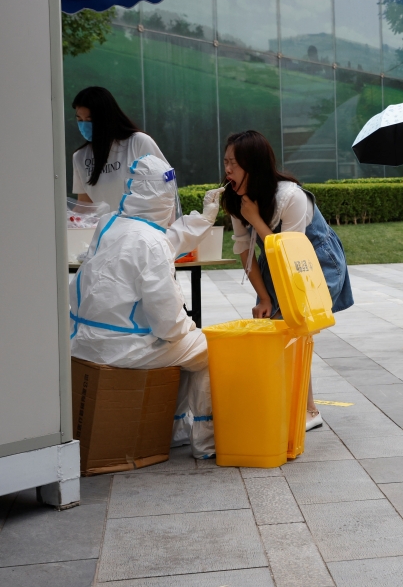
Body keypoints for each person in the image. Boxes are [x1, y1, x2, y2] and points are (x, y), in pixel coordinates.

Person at [70, 156, 222, 459]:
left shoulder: (110, 223)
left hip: (83, 340)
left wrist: (204, 218)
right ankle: (205, 442)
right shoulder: (152, 242)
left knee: (183, 346)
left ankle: (173, 430)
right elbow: (168, 323)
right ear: (165, 195)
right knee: (207, 350)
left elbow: (162, 241)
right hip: (124, 348)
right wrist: (189, 330)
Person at [225, 131, 353, 424]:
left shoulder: (290, 196)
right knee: (280, 329)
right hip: (275, 257)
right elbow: (245, 250)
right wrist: (265, 298)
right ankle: (301, 408)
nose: (228, 169)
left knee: (295, 329)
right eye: (225, 162)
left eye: (234, 163)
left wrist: (256, 218)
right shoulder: (237, 198)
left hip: (314, 261)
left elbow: (291, 256)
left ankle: (307, 411)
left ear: (253, 165)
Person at [71, 87, 167, 210]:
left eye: (90, 119)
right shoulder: (80, 156)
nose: (84, 124)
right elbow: (85, 204)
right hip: (106, 228)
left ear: (107, 117)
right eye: (79, 119)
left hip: (142, 226)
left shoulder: (138, 142)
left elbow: (166, 186)